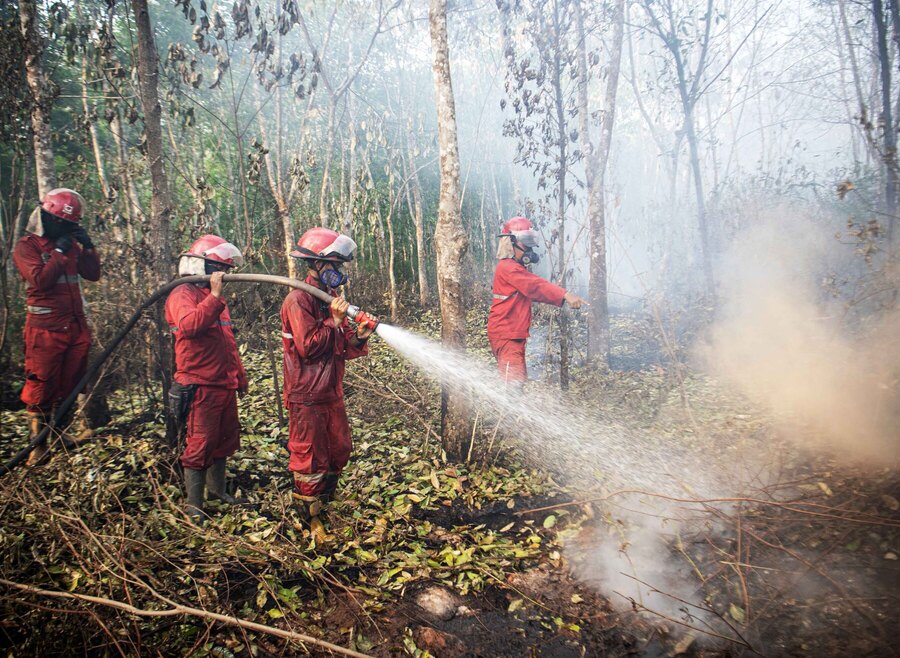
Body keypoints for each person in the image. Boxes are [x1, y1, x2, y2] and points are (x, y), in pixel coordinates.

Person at [281, 227, 376, 540]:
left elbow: (344, 346)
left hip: (330, 392)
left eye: (340, 267)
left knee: (338, 450)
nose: (339, 273)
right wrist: (332, 321)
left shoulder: (331, 299)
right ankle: (310, 521)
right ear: (317, 265)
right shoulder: (298, 300)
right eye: (335, 266)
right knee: (311, 458)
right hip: (306, 395)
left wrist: (359, 335)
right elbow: (308, 346)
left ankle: (325, 504)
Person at [13, 188, 101, 466]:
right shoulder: (26, 247)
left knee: (70, 383)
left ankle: (60, 437)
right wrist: (60, 251)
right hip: (45, 329)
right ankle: (38, 448)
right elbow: (41, 281)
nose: (68, 230)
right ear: (48, 218)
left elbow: (92, 274)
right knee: (41, 385)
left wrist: (88, 248)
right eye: (65, 224)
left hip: (75, 327)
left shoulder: (69, 244)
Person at [165, 235, 248, 522]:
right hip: (200, 383)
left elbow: (227, 341)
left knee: (224, 439)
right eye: (219, 270)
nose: (223, 277)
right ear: (205, 266)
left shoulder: (217, 300)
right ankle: (194, 507)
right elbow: (189, 327)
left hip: (223, 382)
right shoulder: (182, 294)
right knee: (200, 443)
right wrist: (213, 297)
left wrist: (240, 375)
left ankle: (218, 491)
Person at [487, 217, 587, 389]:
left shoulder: (514, 267)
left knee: (517, 383)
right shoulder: (509, 268)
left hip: (512, 334)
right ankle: (511, 416)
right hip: (507, 336)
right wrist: (565, 294)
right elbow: (535, 286)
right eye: (525, 244)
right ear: (511, 243)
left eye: (530, 243)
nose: (529, 250)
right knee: (513, 387)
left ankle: (515, 415)